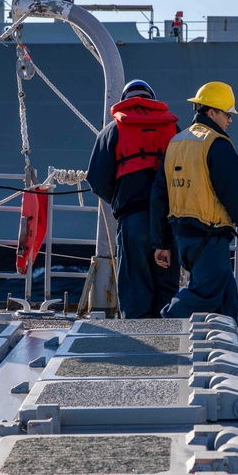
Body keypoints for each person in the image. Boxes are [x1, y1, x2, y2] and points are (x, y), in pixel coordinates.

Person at [150, 81, 238, 320]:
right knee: (205, 294)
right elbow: (237, 192)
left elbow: (160, 196)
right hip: (208, 237)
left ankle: (228, 327)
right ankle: (165, 323)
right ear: (211, 112)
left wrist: (161, 242)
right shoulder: (216, 144)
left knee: (224, 293)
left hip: (183, 237)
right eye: (227, 114)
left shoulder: (176, 142)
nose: (230, 120)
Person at [87, 79, 180, 318]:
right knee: (167, 281)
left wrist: (119, 200)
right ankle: (170, 334)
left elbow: (96, 180)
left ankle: (140, 337)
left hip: (133, 219)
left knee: (135, 282)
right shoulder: (173, 128)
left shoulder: (112, 130)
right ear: (152, 98)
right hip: (169, 220)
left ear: (124, 100)